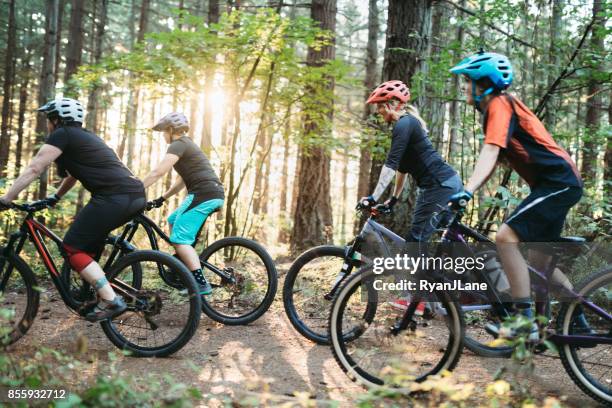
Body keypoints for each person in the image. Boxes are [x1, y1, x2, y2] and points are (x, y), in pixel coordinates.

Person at [448, 51, 584, 337]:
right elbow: (497, 158)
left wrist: (467, 190)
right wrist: (469, 190)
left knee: (504, 237)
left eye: (467, 81)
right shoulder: (497, 111)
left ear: (483, 83)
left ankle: (523, 322)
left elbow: (491, 150)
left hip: (558, 182)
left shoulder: (501, 103)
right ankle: (577, 318)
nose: (464, 87)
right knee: (540, 263)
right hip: (556, 184)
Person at [0, 98, 146, 321]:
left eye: (49, 119)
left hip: (113, 198)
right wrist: (55, 197)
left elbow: (35, 167)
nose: (48, 124)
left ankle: (110, 299)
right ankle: (98, 292)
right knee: (86, 249)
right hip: (132, 196)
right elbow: (74, 174)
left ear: (57, 119)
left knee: (71, 248)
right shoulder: (85, 137)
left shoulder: (62, 134)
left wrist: (7, 198)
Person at [360, 80, 463, 310]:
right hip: (446, 185)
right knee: (436, 243)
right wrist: (393, 199)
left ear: (393, 103)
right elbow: (401, 170)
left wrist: (374, 197)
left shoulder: (404, 124)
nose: (378, 111)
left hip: (439, 186)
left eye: (380, 105)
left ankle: (416, 301)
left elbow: (390, 165)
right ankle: (437, 296)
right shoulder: (407, 126)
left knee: (416, 241)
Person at [142, 112, 224, 295]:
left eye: (164, 131)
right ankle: (184, 264)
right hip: (208, 192)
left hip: (203, 194)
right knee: (172, 220)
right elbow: (181, 181)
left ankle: (199, 283)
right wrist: (162, 198)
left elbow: (158, 172)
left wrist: (137, 188)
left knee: (179, 239)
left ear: (171, 130)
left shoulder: (178, 144)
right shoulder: (187, 145)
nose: (163, 135)